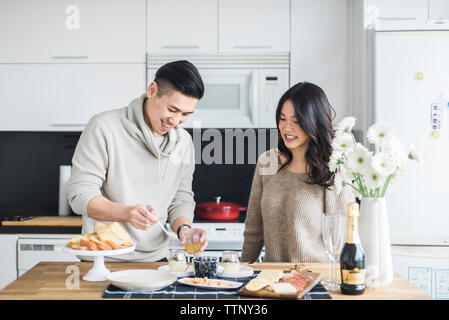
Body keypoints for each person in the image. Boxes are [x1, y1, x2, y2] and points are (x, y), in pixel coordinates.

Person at [66, 60, 208, 262]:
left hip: (156, 260)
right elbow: (79, 196)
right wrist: (126, 213)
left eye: (185, 114)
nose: (175, 121)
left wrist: (184, 228)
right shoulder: (104, 128)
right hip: (103, 258)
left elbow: (181, 198)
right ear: (152, 90)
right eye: (172, 110)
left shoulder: (183, 142)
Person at [241, 82, 354, 263]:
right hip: (272, 283)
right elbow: (254, 230)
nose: (287, 128)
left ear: (314, 123)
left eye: (297, 121)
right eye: (282, 118)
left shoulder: (333, 168)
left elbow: (341, 239)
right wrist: (242, 272)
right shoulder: (267, 162)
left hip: (315, 282)